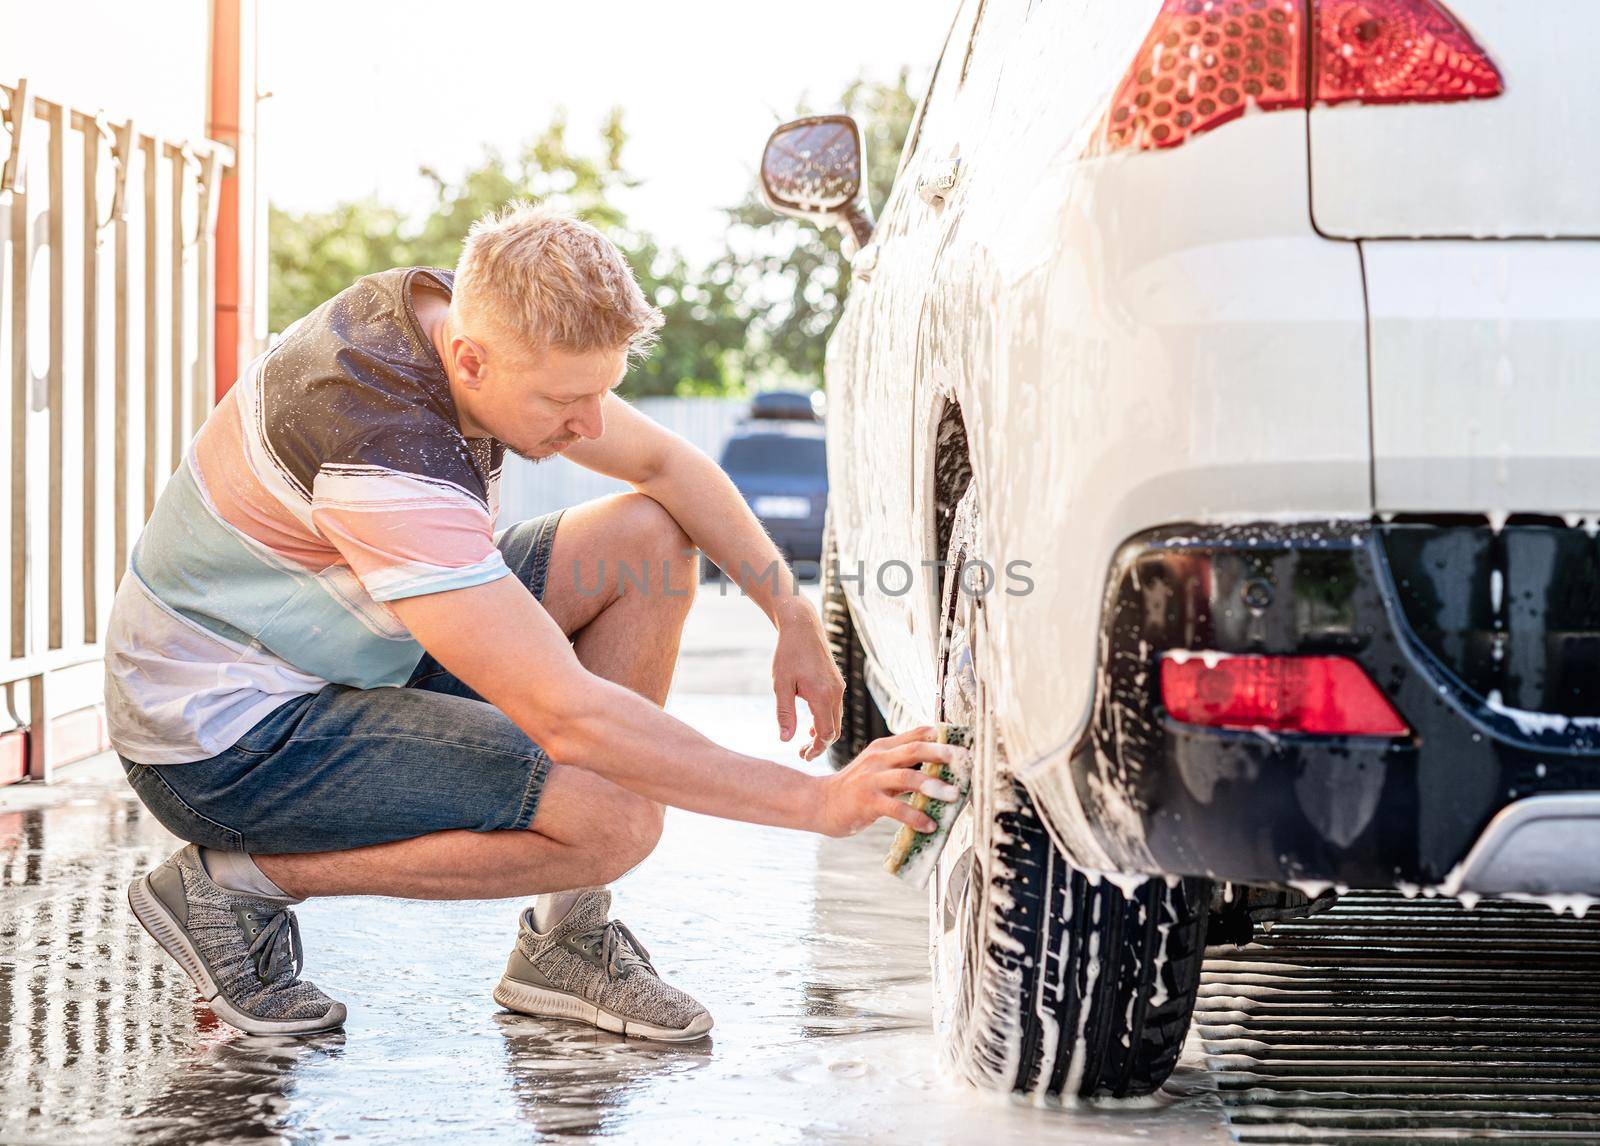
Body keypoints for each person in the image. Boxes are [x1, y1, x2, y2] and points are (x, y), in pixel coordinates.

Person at [105, 202, 964, 1041]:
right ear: (470, 360)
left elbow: (666, 463)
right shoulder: (382, 451)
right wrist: (818, 802)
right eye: (566, 402)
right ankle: (232, 885)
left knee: (651, 537)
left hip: (348, 650)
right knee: (614, 821)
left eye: (602, 393)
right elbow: (568, 716)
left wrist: (791, 610)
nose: (589, 427)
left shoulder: (461, 318)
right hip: (223, 738)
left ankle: (567, 943)